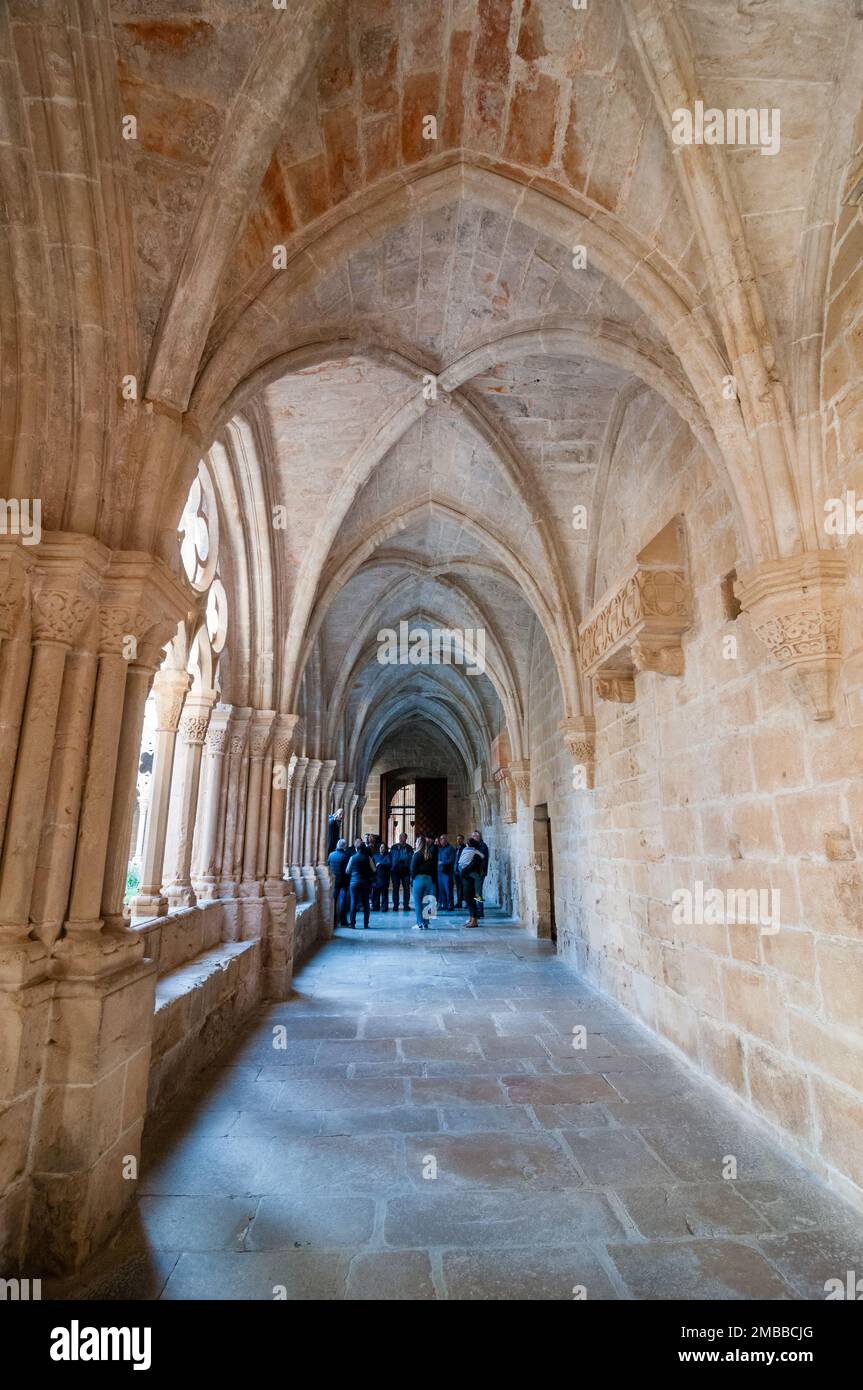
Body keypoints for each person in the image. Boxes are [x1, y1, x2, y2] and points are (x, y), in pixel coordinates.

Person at [410, 835, 437, 930]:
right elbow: (434, 868)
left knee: (417, 903)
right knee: (427, 902)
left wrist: (412, 879)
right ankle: (426, 922)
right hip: (428, 879)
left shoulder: (416, 854)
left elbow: (413, 869)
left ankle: (419, 923)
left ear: (419, 843)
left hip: (418, 879)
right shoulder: (429, 854)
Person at [458, 836, 485, 928]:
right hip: (467, 877)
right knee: (467, 898)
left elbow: (473, 865)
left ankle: (474, 920)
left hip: (470, 878)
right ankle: (471, 918)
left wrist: (464, 871)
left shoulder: (476, 853)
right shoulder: (469, 851)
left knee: (470, 898)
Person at [345, 841, 374, 929]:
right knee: (366, 903)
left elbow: (347, 870)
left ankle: (352, 923)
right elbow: (374, 869)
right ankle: (366, 924)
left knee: (353, 902)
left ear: (356, 849)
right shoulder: (368, 858)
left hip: (354, 882)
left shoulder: (352, 858)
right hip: (365, 882)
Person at [327, 836, 350, 928]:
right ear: (344, 846)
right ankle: (343, 921)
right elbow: (347, 870)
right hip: (343, 882)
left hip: (334, 881)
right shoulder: (345, 856)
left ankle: (333, 920)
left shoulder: (331, 855)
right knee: (343, 901)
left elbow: (328, 865)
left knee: (334, 899)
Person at [389, 833, 412, 911]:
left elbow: (411, 859)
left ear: (406, 838)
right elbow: (391, 858)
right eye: (400, 837)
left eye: (403, 837)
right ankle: (395, 905)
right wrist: (391, 868)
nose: (401, 838)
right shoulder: (394, 847)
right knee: (395, 888)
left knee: (406, 889)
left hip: (406, 871)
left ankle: (406, 905)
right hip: (395, 871)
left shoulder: (409, 848)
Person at [437, 833, 456, 910]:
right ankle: (444, 905)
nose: (441, 840)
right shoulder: (440, 849)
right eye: (440, 839)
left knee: (448, 890)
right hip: (440, 872)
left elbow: (452, 860)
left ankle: (450, 905)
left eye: (443, 838)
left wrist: (442, 862)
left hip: (447, 873)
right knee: (442, 890)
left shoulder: (451, 848)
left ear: (446, 839)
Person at [371, 842, 391, 912]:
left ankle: (384, 907)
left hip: (384, 877)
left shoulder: (387, 856)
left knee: (384, 894)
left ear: (385, 849)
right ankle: (375, 906)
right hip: (376, 877)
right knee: (376, 893)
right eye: (381, 847)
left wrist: (380, 863)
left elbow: (389, 864)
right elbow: (372, 865)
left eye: (383, 847)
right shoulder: (375, 856)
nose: (382, 848)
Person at [453, 834, 467, 908]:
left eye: (460, 839)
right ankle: (459, 902)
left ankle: (466, 903)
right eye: (457, 839)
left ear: (463, 840)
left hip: (462, 871)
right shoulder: (457, 848)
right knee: (458, 887)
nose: (458, 840)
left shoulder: (465, 848)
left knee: (464, 887)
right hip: (456, 871)